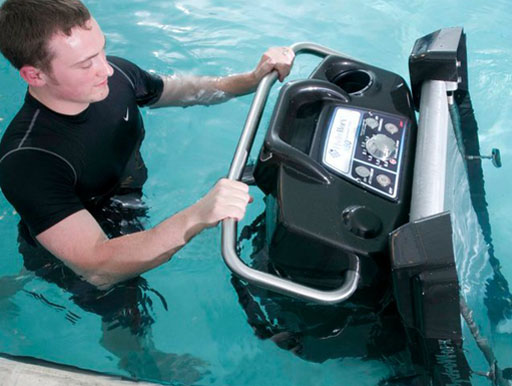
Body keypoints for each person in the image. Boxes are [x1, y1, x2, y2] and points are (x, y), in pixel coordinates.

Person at [0, 0, 294, 382]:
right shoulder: (29, 159)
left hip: (122, 203)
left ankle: (14, 284)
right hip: (74, 241)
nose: (105, 68)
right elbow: (96, 266)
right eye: (85, 63)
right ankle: (138, 362)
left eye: (101, 50)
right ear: (34, 75)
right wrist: (196, 216)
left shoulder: (113, 75)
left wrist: (253, 78)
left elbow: (189, 91)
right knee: (125, 304)